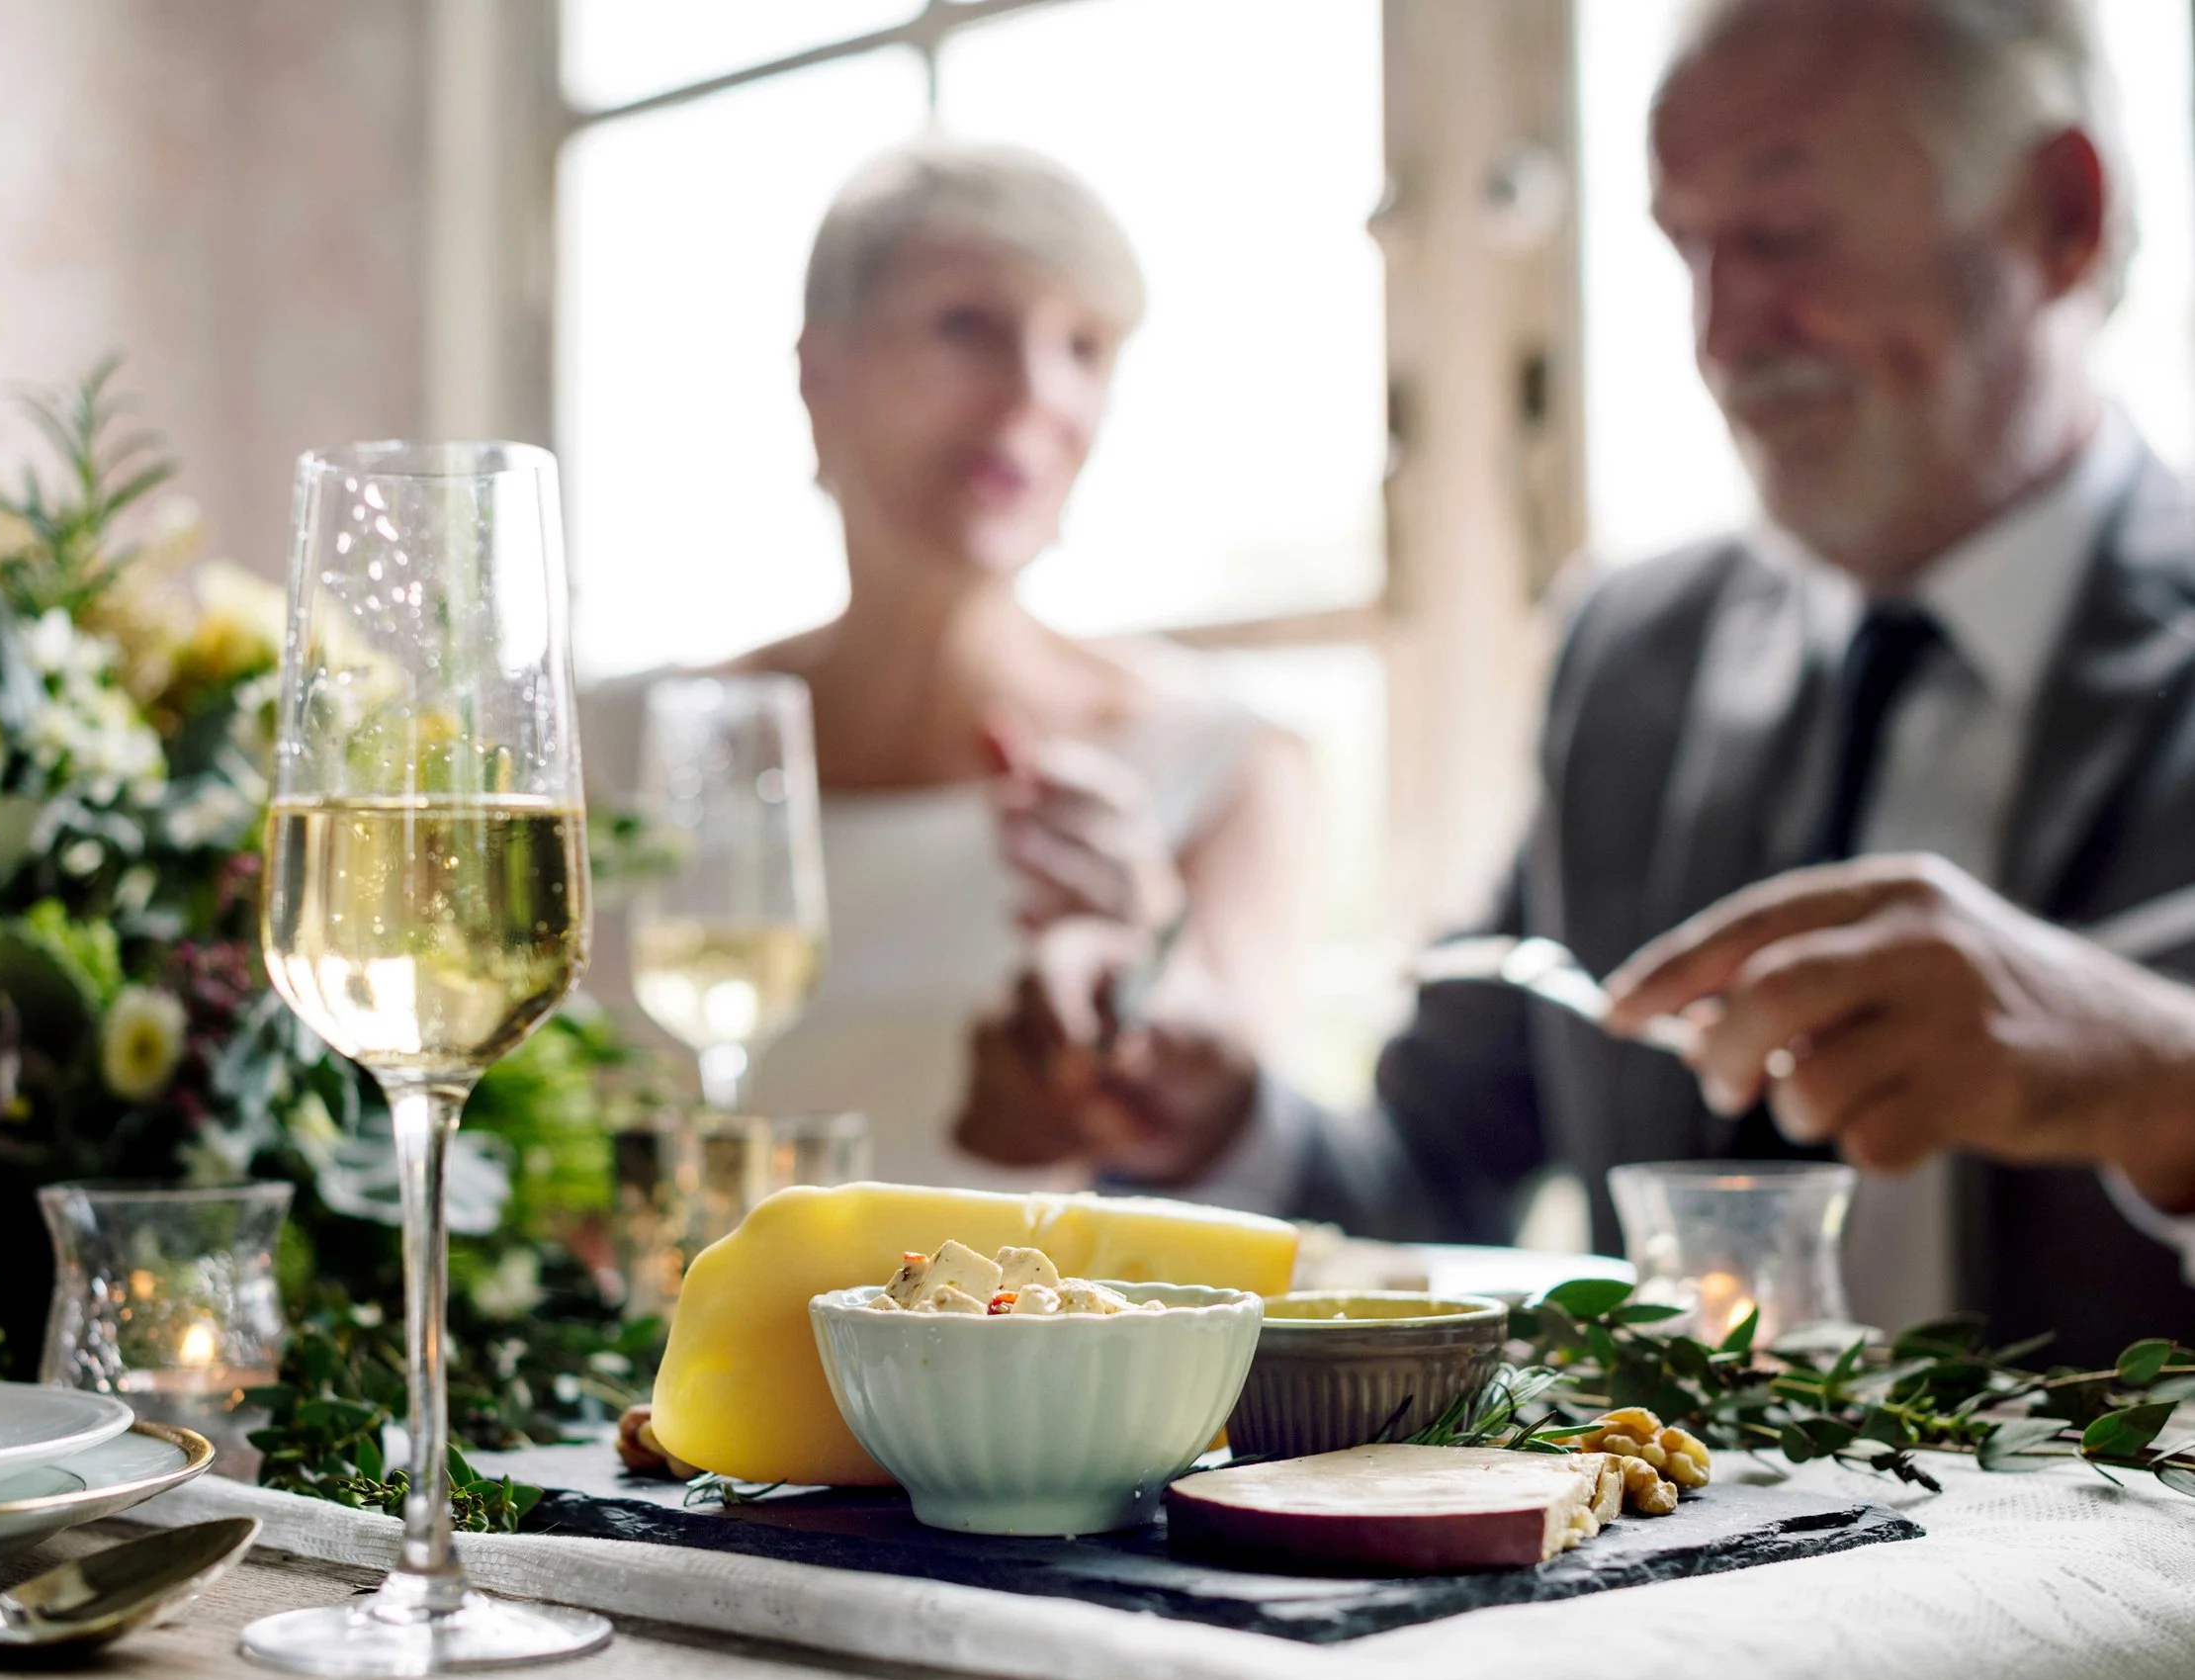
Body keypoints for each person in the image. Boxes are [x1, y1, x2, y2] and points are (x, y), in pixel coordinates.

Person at [977, 0, 2195, 1362]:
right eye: (1689, 249)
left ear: (2059, 217)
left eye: (1787, 237)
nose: (1723, 334)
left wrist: (2168, 1088)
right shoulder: (1632, 658)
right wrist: (1215, 1126)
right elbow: (1427, 1179)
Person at [583, 139, 1311, 1188]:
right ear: (818, 374)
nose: (1033, 394)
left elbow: (1250, 1186)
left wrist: (1147, 975)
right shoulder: (612, 748)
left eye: (1084, 347)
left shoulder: (1220, 762)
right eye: (967, 324)